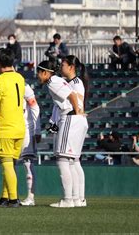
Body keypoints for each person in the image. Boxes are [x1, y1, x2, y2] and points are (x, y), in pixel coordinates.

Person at [36, 60, 86, 208]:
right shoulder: (58, 80)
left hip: (70, 118)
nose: (38, 76)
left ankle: (67, 199)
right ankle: (76, 199)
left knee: (62, 159)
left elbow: (72, 95)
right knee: (72, 161)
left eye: (39, 72)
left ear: (45, 72)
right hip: (75, 119)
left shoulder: (53, 81)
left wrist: (77, 112)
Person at [0, 48, 26, 208]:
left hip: (5, 128)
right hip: (19, 128)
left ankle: (14, 199)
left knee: (7, 164)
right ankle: (5, 197)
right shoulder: (20, 78)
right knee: (9, 163)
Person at [60, 55, 89, 207]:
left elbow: (78, 101)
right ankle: (79, 199)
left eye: (63, 64)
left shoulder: (75, 83)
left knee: (68, 160)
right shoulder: (72, 82)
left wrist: (78, 112)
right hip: (78, 120)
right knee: (75, 161)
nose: (61, 66)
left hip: (74, 121)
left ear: (71, 67)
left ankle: (72, 198)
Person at [18, 83, 41, 206]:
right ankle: (10, 196)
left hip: (26, 129)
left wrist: (37, 129)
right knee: (8, 162)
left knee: (27, 162)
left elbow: (34, 106)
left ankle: (30, 197)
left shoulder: (23, 86)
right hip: (11, 129)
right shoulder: (1, 83)